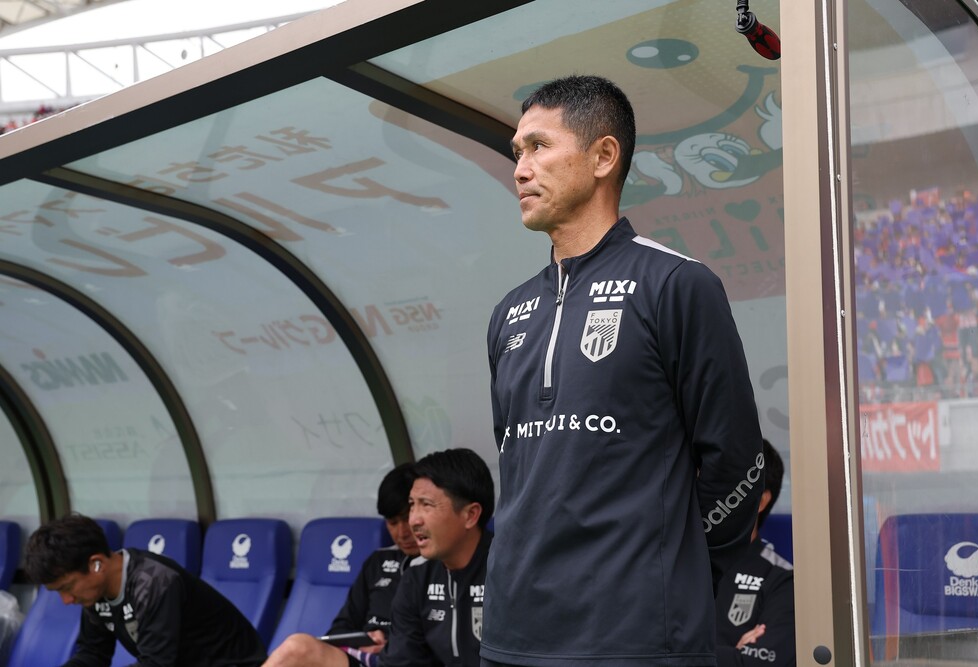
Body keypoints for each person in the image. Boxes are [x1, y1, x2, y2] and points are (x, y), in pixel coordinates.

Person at [483, 74, 764, 666]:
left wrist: (674, 576)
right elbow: (517, 463)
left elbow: (736, 462)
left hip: (637, 639)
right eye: (517, 152)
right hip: (513, 636)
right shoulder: (509, 311)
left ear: (604, 156)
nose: (520, 169)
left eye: (538, 146)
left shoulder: (677, 284)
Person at [24, 513, 266, 667]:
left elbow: (156, 664)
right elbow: (93, 653)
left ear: (96, 564)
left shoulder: (154, 582)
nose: (66, 600)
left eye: (67, 588)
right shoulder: (94, 594)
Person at [263, 463, 422, 667]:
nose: (402, 533)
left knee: (298, 648)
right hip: (361, 658)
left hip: (401, 659)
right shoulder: (378, 562)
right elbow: (340, 629)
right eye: (392, 523)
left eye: (406, 520)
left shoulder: (442, 566)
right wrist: (363, 640)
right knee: (297, 650)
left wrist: (390, 644)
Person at [378, 448, 494, 667]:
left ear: (470, 515)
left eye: (426, 505)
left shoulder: (510, 575)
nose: (413, 520)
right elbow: (401, 661)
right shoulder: (416, 580)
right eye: (412, 505)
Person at [715, 439, 795, 666]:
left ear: (760, 501)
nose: (709, 495)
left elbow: (763, 662)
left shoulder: (782, 579)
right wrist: (731, 655)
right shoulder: (672, 565)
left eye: (723, 482)